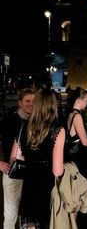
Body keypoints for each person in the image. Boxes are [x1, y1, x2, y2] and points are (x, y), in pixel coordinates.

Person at [10, 88, 65, 228]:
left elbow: (14, 158)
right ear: (52, 105)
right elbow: (57, 170)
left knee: (30, 223)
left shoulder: (24, 126)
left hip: (29, 184)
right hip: (47, 186)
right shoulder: (57, 130)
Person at [0, 88, 35, 229]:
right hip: (13, 173)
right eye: (27, 101)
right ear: (20, 102)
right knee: (11, 214)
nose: (31, 104)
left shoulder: (38, 121)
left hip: (33, 174)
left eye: (34, 101)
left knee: (28, 216)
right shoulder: (10, 121)